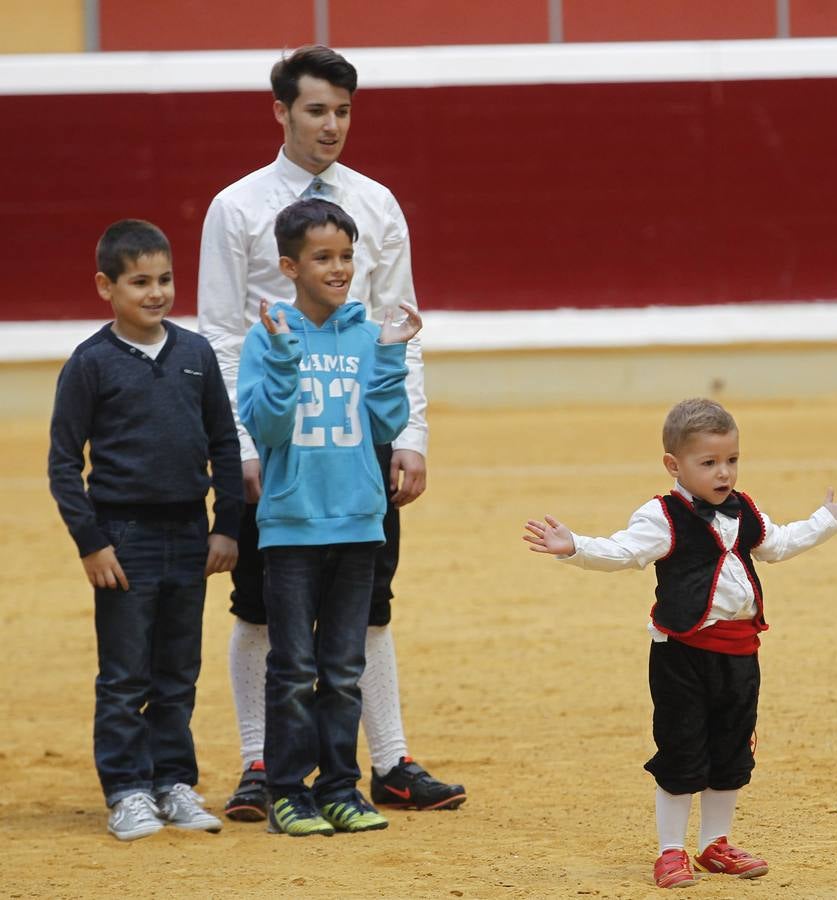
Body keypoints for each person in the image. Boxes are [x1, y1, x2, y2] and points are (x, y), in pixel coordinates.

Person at [198, 44, 464, 819]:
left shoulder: (377, 203)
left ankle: (389, 761)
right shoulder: (236, 206)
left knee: (367, 602)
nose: (332, 125)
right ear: (280, 112)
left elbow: (398, 324)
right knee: (258, 605)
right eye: (316, 109)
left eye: (344, 110)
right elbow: (219, 334)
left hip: (356, 431)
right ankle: (259, 762)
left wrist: (409, 434)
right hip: (273, 430)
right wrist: (239, 447)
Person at [523, 398, 837, 887]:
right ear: (673, 466)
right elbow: (623, 552)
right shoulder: (661, 516)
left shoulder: (745, 510)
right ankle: (671, 850)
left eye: (732, 460)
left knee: (731, 751)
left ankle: (714, 845)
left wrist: (825, 520)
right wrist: (575, 547)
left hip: (741, 654)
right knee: (682, 750)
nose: (724, 473)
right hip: (682, 655)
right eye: (709, 463)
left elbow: (779, 544)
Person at [48, 220, 242, 840]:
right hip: (123, 539)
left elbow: (223, 442)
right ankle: (127, 789)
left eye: (164, 279)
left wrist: (226, 526)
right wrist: (92, 541)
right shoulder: (91, 364)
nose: (156, 292)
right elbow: (62, 462)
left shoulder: (195, 354)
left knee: (178, 670)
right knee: (126, 672)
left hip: (190, 533)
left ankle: (173, 781)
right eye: (139, 282)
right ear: (106, 286)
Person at [238, 199, 423, 836]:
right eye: (323, 258)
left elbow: (383, 424)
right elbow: (263, 426)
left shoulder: (368, 334)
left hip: (359, 524)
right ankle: (288, 790)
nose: (340, 268)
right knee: (293, 668)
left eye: (346, 256)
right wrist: (287, 355)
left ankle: (340, 788)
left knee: (343, 670)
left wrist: (394, 354)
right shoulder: (267, 337)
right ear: (290, 266)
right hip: (291, 526)